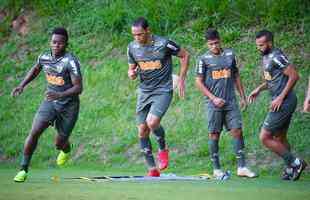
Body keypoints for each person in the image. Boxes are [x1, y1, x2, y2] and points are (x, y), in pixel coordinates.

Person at [12, 27, 83, 182]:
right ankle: (23, 169)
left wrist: (60, 94)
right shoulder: (44, 57)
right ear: (50, 42)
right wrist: (22, 85)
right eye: (54, 42)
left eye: (60, 43)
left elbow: (79, 88)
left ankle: (66, 148)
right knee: (35, 131)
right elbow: (36, 69)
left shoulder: (70, 61)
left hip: (69, 106)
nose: (57, 45)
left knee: (59, 143)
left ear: (66, 44)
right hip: (50, 102)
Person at [127, 17, 190, 177]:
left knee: (152, 122)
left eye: (139, 34)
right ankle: (152, 169)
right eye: (134, 35)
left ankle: (162, 148)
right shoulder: (132, 47)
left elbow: (185, 55)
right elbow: (131, 70)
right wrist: (132, 73)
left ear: (148, 30)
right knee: (142, 130)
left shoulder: (164, 43)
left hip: (163, 90)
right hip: (144, 91)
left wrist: (181, 79)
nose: (137, 38)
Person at [195, 29, 256, 179]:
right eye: (211, 44)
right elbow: (198, 82)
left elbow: (236, 76)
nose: (214, 46)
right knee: (214, 134)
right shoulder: (203, 59)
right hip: (213, 103)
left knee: (237, 130)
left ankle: (242, 167)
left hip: (230, 101)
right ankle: (216, 169)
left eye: (216, 43)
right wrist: (213, 98)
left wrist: (242, 97)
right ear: (207, 44)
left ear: (220, 41)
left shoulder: (230, 55)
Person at [248, 29, 307, 181]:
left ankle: (296, 163)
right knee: (280, 138)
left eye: (261, 45)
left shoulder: (276, 56)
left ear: (269, 43)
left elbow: (294, 75)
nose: (259, 48)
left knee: (265, 137)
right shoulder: (266, 56)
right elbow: (272, 79)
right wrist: (258, 89)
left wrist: (280, 97)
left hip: (284, 102)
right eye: (257, 45)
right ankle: (290, 169)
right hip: (280, 101)